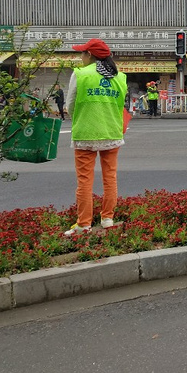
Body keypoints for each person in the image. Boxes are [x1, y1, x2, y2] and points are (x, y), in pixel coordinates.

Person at [64, 38, 127, 236]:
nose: (81, 57)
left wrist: (80, 117)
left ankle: (84, 224)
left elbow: (70, 106)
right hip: (112, 132)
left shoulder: (80, 74)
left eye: (82, 53)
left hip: (86, 133)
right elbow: (120, 105)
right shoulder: (119, 77)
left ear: (89, 55)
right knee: (110, 177)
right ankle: (107, 219)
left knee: (84, 180)